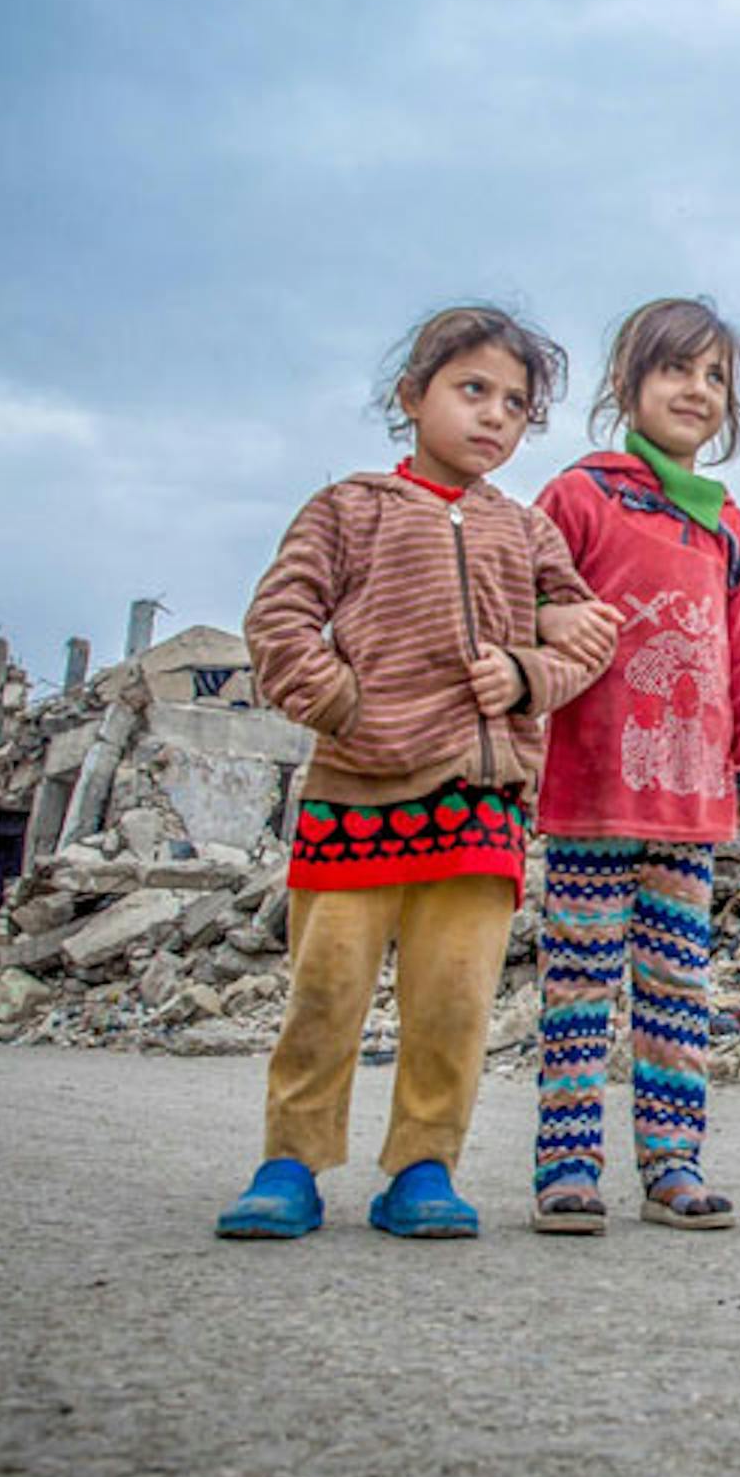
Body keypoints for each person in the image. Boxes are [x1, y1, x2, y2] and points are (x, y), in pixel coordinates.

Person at [215, 305, 617, 1241]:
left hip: (480, 806)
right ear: (412, 396)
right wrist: (347, 705)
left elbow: (589, 633)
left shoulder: (525, 532)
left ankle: (424, 1168)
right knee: (327, 992)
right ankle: (291, 1163)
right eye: (472, 390)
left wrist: (527, 674)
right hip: (356, 794)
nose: (494, 417)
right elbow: (279, 621)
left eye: (516, 404)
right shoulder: (348, 508)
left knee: (454, 999)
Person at [522, 296, 740, 1233]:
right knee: (579, 983)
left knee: (677, 986)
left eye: (715, 379)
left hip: (691, 804)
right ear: (629, 384)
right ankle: (568, 1167)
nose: (697, 391)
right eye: (677, 370)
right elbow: (524, 604)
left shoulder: (731, 528)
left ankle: (673, 1162)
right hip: (592, 791)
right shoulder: (580, 497)